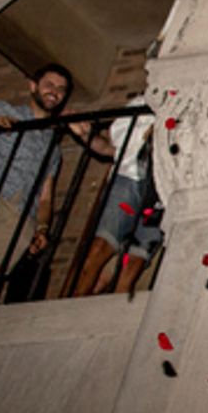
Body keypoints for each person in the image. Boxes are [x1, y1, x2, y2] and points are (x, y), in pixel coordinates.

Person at [0, 64, 76, 306]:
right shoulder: (5, 110)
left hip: (20, 217)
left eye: (61, 89)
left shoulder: (54, 148)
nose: (54, 92)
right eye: (49, 84)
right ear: (33, 86)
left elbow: (46, 197)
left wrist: (41, 228)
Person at [73, 97, 163, 296]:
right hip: (129, 177)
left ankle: (116, 308)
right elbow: (114, 149)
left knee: (133, 265)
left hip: (164, 191)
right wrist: (87, 136)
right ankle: (72, 304)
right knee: (100, 247)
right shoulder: (141, 102)